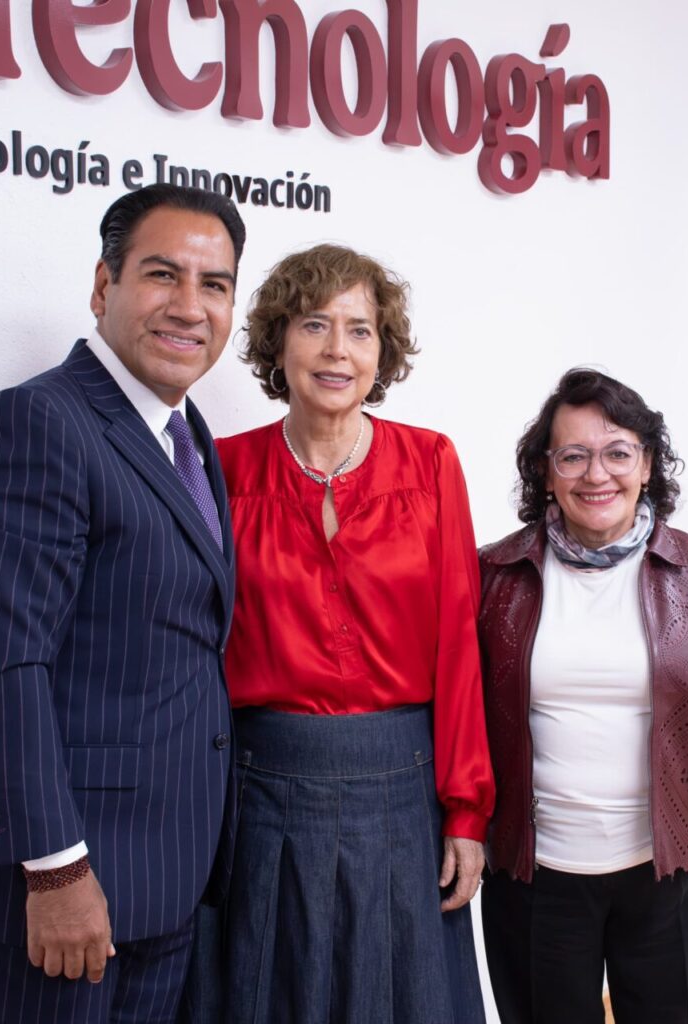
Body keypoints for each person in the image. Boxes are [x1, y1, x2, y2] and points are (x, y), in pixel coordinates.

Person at [0, 184, 245, 1023]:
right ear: (104, 286)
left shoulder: (185, 435)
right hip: (58, 897)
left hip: (159, 886)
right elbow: (2, 663)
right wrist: (56, 869)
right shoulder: (37, 424)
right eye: (162, 275)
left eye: (214, 285)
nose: (190, 306)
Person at [211, 244, 493, 1023]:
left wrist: (467, 811)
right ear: (278, 343)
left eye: (359, 330)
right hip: (263, 791)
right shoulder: (222, 470)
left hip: (403, 789)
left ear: (382, 352)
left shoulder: (430, 462)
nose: (337, 349)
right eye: (314, 324)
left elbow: (459, 649)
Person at [476, 368, 688, 1024]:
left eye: (617, 452)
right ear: (545, 472)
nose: (596, 474)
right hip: (534, 872)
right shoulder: (493, 576)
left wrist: (680, 774)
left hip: (672, 868)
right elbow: (469, 711)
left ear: (647, 464)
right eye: (573, 456)